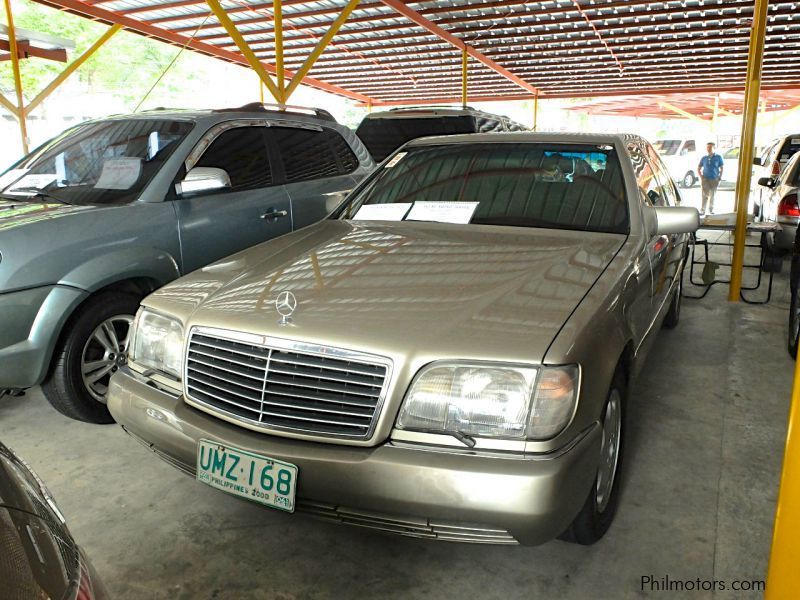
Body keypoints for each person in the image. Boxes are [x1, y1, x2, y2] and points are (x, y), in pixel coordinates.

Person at [698, 142, 724, 214]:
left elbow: (722, 168)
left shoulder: (718, 157)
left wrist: (719, 177)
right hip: (705, 179)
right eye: (707, 147)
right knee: (704, 195)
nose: (708, 149)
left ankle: (711, 209)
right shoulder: (704, 158)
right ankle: (702, 210)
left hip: (714, 179)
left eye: (710, 147)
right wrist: (701, 176)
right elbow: (699, 168)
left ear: (714, 148)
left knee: (713, 195)